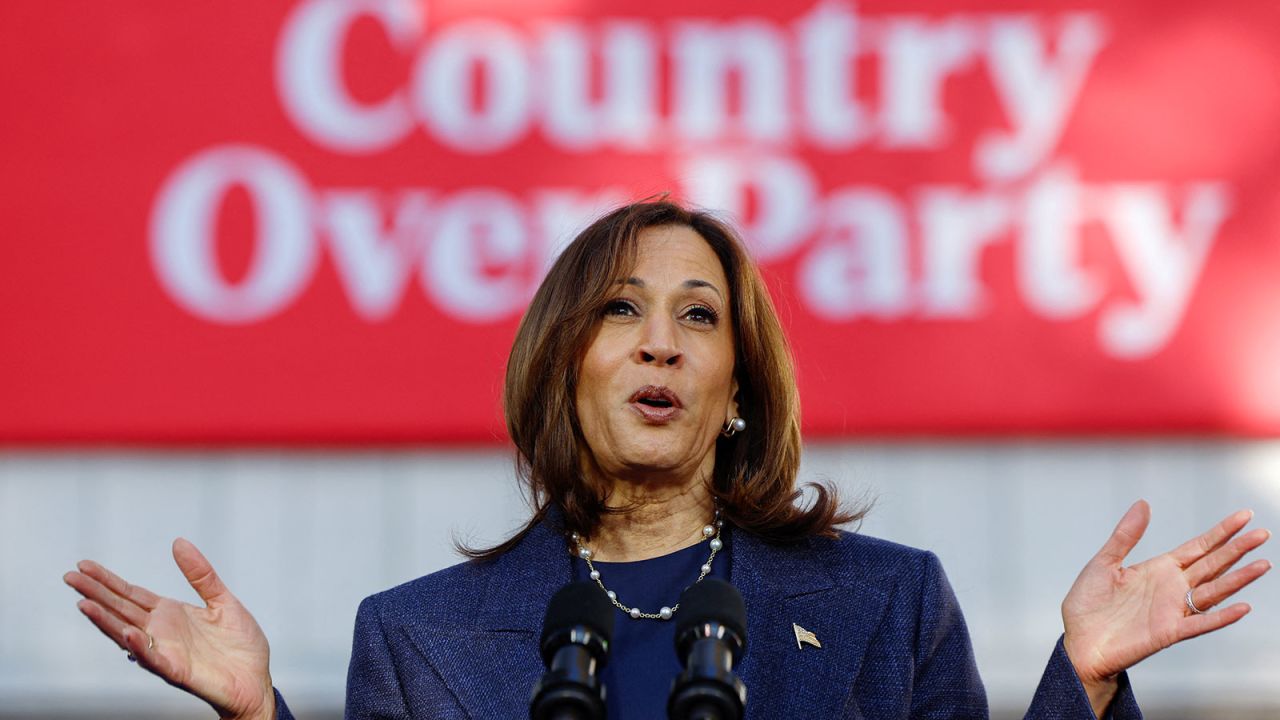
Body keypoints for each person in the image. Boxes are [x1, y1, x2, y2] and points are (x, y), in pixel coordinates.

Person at [65, 200, 1271, 719]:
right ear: (561, 363)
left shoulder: (884, 604)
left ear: (736, 388)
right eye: (619, 312)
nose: (659, 341)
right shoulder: (417, 639)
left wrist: (1086, 680)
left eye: (699, 317)